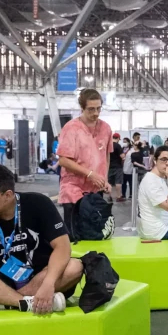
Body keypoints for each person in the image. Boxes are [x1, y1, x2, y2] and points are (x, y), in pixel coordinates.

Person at [0, 165, 83, 314]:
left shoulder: (38, 203)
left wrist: (49, 284)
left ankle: (1, 301)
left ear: (8, 195)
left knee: (75, 267)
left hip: (38, 277)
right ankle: (25, 302)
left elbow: (63, 247)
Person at [56, 89, 112, 240]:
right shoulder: (71, 128)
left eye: (98, 108)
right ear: (82, 108)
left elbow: (105, 156)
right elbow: (63, 160)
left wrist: (104, 179)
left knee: (96, 234)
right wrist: (89, 174)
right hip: (73, 191)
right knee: (75, 237)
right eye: (91, 109)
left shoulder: (106, 128)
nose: (95, 113)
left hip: (95, 191)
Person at [108, 133, 126, 203]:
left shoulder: (108, 145)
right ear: (118, 138)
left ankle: (110, 197)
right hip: (117, 166)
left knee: (109, 182)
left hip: (109, 166)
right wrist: (124, 154)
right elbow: (122, 156)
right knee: (118, 182)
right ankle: (118, 196)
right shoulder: (118, 146)